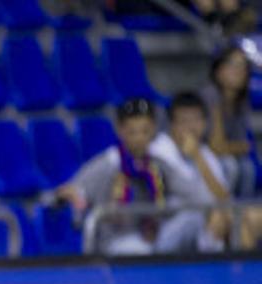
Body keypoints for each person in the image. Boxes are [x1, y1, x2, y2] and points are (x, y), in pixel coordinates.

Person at [57, 98, 204, 256]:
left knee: (194, 218)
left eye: (145, 131)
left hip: (155, 237)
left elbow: (195, 194)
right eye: (132, 132)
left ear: (154, 129)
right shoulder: (107, 164)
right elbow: (72, 195)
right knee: (140, 249)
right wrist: (74, 198)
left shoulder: (158, 164)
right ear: (120, 130)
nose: (139, 138)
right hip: (116, 241)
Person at [151, 91, 231, 251]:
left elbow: (224, 197)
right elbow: (197, 197)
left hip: (201, 221)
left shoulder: (205, 152)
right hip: (164, 227)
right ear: (172, 125)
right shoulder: (159, 151)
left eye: (196, 119)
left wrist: (198, 157)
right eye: (184, 121)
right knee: (207, 215)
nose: (191, 127)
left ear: (205, 123)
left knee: (245, 217)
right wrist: (196, 156)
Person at [202, 45, 255, 196]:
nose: (239, 70)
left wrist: (229, 147)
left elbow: (245, 146)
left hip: (224, 154)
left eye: (243, 66)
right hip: (198, 155)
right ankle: (223, 214)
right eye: (233, 64)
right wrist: (230, 147)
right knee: (229, 165)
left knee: (247, 168)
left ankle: (244, 216)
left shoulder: (242, 100)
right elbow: (215, 146)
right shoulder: (209, 95)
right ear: (218, 70)